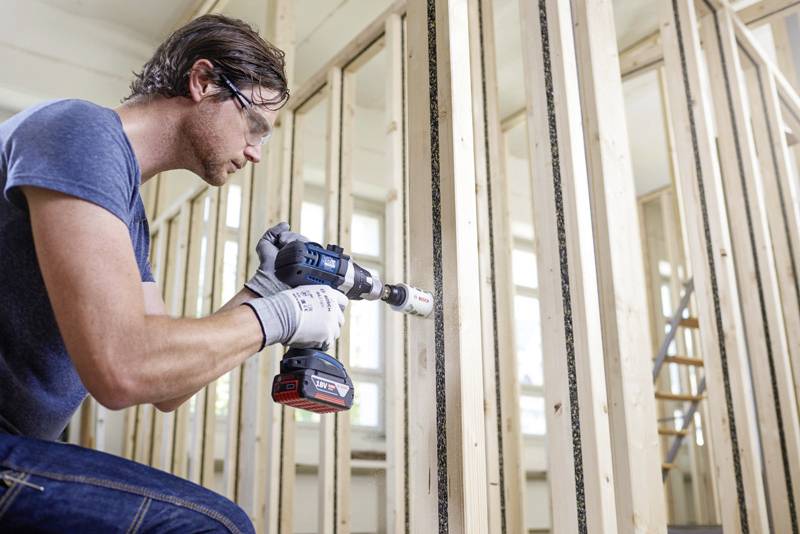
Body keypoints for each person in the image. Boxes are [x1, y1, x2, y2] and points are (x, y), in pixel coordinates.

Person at [0, 14, 344, 532]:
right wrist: (282, 315)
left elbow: (164, 389)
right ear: (203, 82)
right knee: (218, 525)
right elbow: (123, 367)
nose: (254, 151)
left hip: (20, 449)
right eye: (254, 126)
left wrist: (262, 291)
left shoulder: (124, 215)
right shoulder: (82, 131)